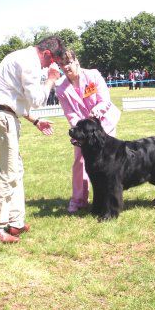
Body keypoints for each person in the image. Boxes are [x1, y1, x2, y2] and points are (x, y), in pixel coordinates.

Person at [0, 36, 65, 243]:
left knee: (16, 170)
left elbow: (13, 99)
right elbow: (35, 100)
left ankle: (16, 222)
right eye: (51, 61)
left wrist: (35, 121)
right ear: (46, 53)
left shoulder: (21, 57)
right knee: (8, 173)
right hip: (2, 117)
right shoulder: (30, 62)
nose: (51, 66)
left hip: (1, 114)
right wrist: (51, 79)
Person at [55, 50, 121, 213]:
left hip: (104, 123)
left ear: (76, 61)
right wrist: (81, 128)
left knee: (107, 162)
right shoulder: (60, 88)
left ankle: (109, 197)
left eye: (68, 62)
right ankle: (78, 200)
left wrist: (97, 110)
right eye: (62, 64)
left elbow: (104, 99)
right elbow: (70, 112)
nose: (66, 67)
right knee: (80, 161)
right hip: (83, 130)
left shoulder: (93, 75)